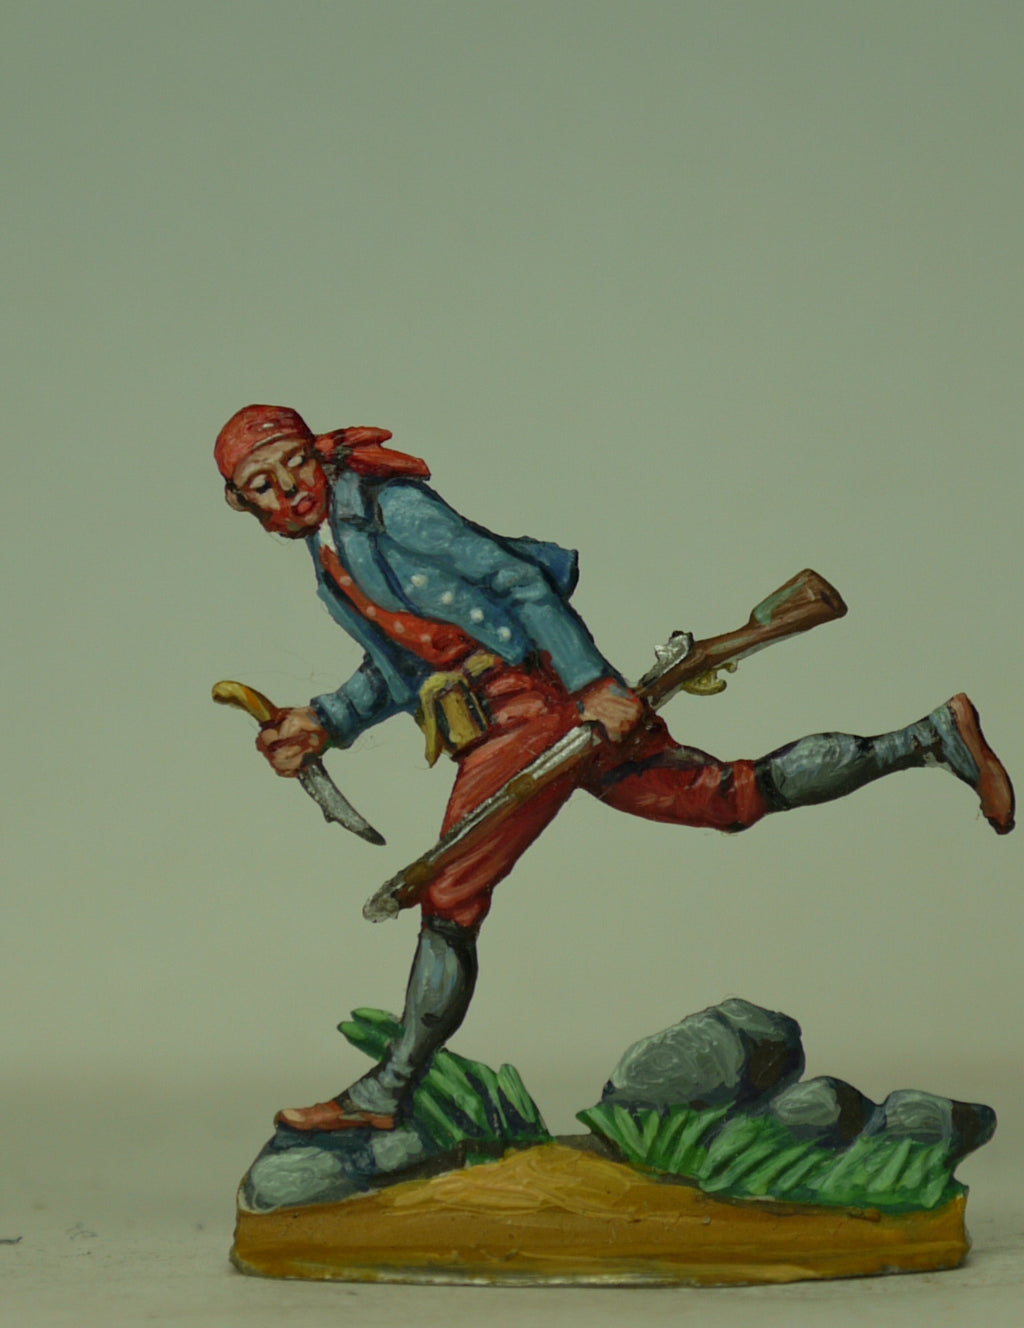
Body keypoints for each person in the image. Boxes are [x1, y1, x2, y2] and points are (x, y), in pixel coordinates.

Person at [215, 404, 1015, 1133]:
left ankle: (387, 1093)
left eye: (294, 465)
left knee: (449, 890)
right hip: (539, 704)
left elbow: (515, 580)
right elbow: (403, 666)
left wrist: (593, 683)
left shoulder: (391, 509)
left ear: (318, 454)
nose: (288, 490)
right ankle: (928, 739)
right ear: (242, 504)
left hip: (534, 705)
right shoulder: (331, 555)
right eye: (262, 485)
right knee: (720, 797)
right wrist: (323, 721)